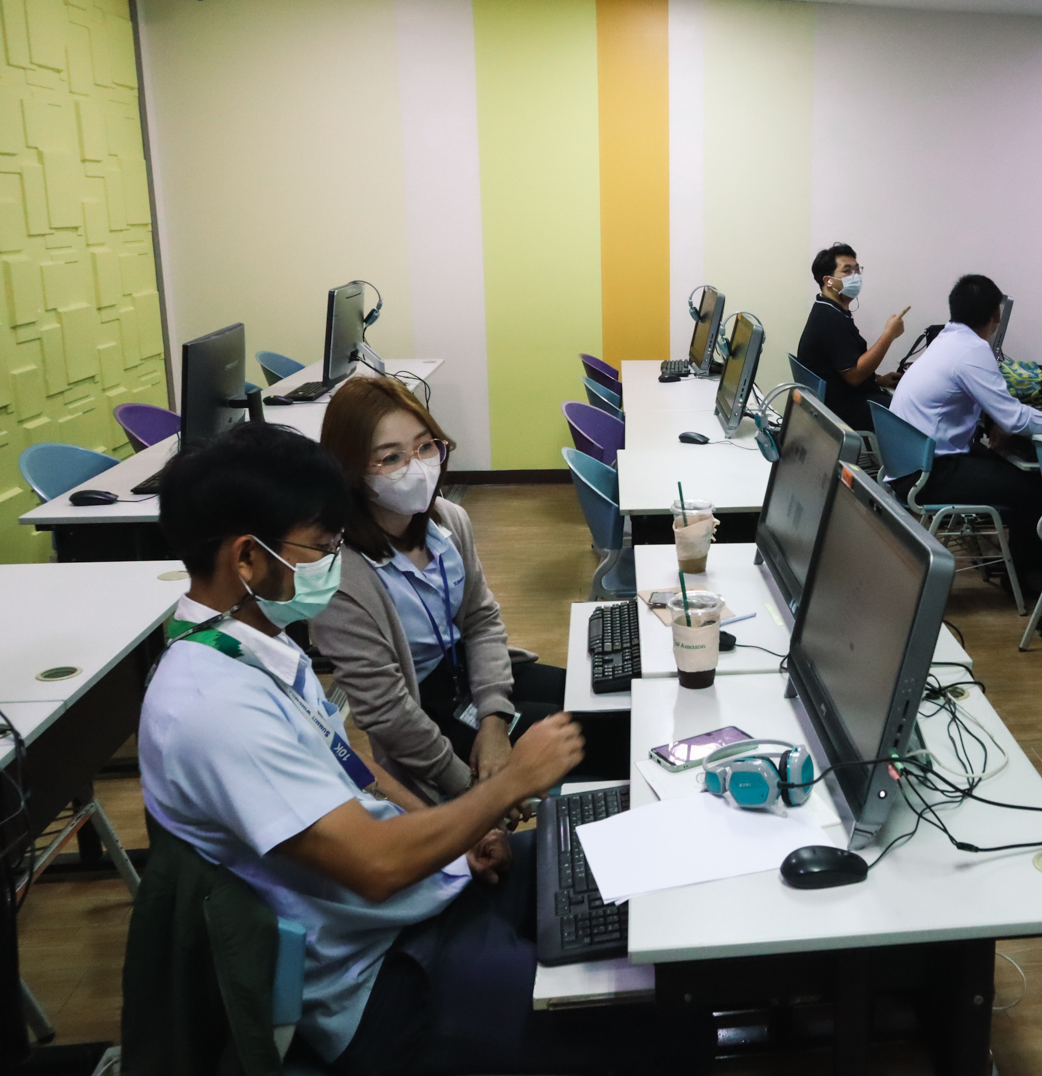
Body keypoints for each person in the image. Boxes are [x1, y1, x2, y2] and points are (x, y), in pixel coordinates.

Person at [141, 422, 704, 1074]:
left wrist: (457, 831)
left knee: (625, 853)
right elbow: (375, 865)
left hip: (417, 902)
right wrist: (506, 784)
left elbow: (349, 763)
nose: (332, 561)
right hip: (379, 975)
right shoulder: (213, 707)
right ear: (246, 558)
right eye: (321, 547)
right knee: (666, 1020)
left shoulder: (247, 645)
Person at [311, 377, 627, 803]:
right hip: (427, 716)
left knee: (613, 705)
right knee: (609, 738)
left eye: (425, 447)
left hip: (473, 674)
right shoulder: (340, 576)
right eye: (391, 457)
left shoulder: (448, 520)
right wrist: (471, 789)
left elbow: (481, 621)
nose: (417, 467)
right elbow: (388, 714)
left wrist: (494, 717)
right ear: (350, 471)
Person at [889, 274, 1042, 592]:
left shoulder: (948, 340)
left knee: (1017, 468)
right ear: (997, 314)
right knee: (1035, 487)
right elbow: (1015, 418)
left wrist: (998, 421)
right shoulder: (973, 350)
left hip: (911, 463)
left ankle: (1029, 569)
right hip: (930, 473)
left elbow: (982, 404)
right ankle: (1030, 577)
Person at [796, 242, 908, 430]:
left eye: (857, 270)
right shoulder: (829, 318)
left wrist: (877, 380)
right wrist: (889, 334)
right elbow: (854, 376)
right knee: (909, 410)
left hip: (842, 398)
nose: (855, 276)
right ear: (828, 281)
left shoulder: (830, 309)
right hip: (841, 409)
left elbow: (842, 367)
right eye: (847, 271)